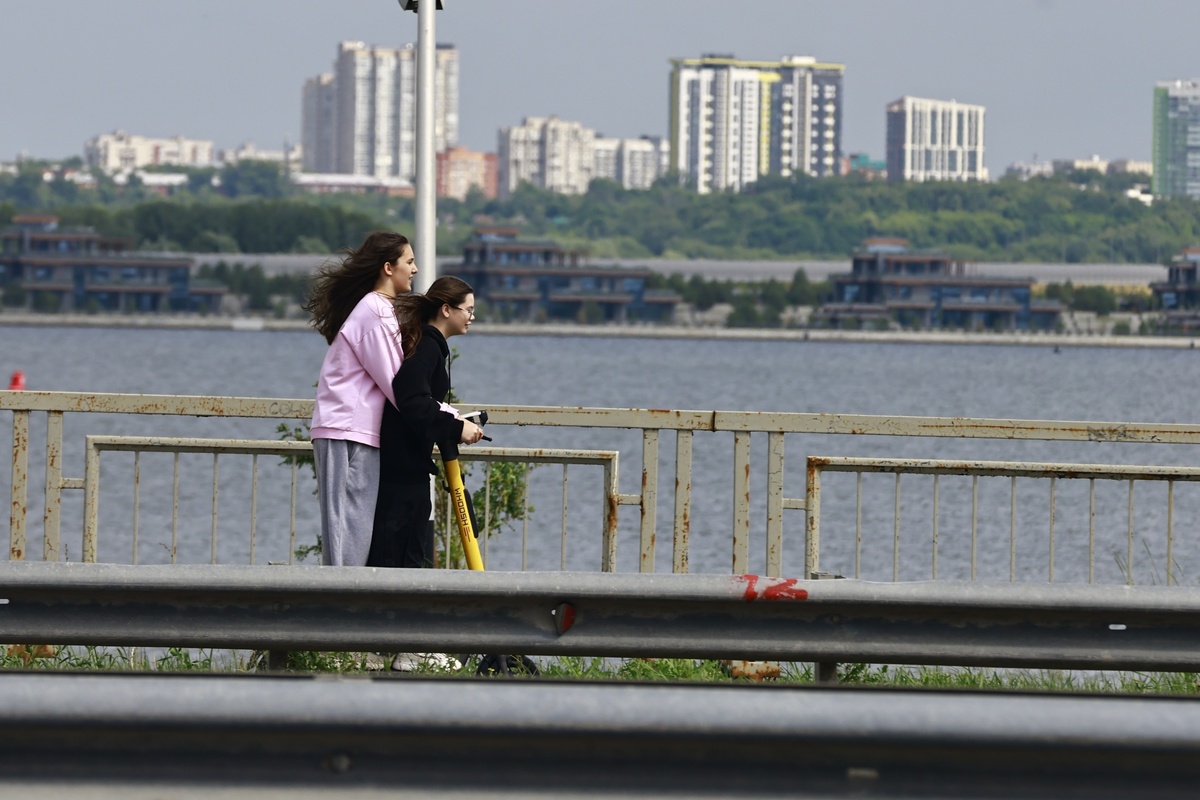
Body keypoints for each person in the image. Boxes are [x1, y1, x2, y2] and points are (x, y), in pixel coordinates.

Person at [305, 231, 417, 567]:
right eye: (409, 262)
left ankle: (344, 610)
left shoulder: (380, 310)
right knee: (345, 538)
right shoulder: (373, 311)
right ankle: (336, 611)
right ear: (388, 267)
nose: (414, 269)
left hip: (358, 432)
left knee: (354, 533)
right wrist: (441, 418)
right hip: (344, 430)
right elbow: (397, 382)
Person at [368, 275, 483, 570]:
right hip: (402, 474)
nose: (472, 317)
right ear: (446, 309)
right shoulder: (428, 348)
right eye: (468, 310)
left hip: (405, 468)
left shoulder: (426, 343)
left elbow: (422, 400)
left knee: (403, 555)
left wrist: (451, 419)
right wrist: (456, 428)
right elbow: (411, 399)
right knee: (399, 559)